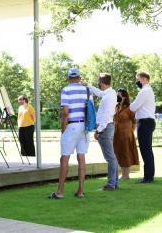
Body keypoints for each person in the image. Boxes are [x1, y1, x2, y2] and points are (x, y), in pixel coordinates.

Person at [49, 67, 89, 199]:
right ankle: (80, 191)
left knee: (64, 158)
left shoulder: (66, 90)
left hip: (71, 126)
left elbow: (65, 112)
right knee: (81, 158)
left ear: (69, 78)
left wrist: (62, 127)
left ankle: (60, 192)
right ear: (79, 77)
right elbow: (89, 109)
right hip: (84, 126)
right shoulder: (86, 90)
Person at [87, 73, 118, 191]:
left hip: (104, 128)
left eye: (99, 82)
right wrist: (89, 85)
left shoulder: (109, 95)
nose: (98, 84)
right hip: (107, 127)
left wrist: (98, 131)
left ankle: (111, 184)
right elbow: (99, 93)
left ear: (101, 82)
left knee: (110, 158)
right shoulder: (109, 92)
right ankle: (114, 182)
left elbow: (106, 116)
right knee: (112, 157)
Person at [130, 72, 156, 183]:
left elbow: (133, 107)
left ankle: (148, 177)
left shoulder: (144, 91)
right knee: (147, 150)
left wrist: (132, 103)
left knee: (145, 150)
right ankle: (149, 176)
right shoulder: (148, 91)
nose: (137, 82)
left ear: (144, 79)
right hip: (148, 122)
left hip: (145, 122)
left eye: (138, 79)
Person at [113, 89, 139, 179]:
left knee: (126, 153)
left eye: (119, 95)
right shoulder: (116, 106)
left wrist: (131, 131)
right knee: (119, 153)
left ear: (124, 97)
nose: (117, 97)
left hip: (126, 134)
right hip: (116, 134)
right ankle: (123, 173)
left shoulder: (129, 107)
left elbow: (134, 121)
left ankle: (126, 175)